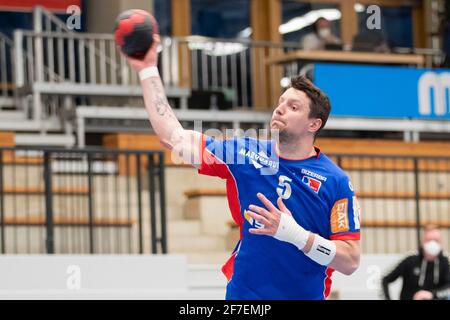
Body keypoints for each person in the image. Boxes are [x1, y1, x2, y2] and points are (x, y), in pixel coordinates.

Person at [123, 31, 361, 300]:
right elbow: (173, 137)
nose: (280, 109)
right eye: (280, 102)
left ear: (313, 124)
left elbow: (350, 261)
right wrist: (147, 69)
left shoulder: (335, 181)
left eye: (293, 107)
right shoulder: (244, 152)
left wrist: (295, 234)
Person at [382, 225, 450, 300]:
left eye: (436, 240)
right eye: (429, 240)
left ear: (441, 242)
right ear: (423, 241)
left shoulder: (444, 262)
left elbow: (448, 287)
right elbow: (385, 280)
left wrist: (432, 294)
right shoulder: (410, 260)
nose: (432, 243)